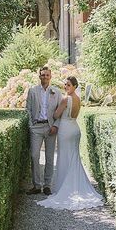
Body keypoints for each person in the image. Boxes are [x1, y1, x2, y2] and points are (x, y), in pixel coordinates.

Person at [38, 76, 103, 210]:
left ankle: (65, 187)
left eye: (68, 85)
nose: (66, 87)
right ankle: (76, 185)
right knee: (74, 158)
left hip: (66, 130)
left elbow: (56, 115)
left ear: (74, 86)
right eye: (65, 85)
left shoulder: (66, 99)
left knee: (64, 157)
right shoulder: (78, 99)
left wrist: (54, 109)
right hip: (75, 128)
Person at [25, 66, 63, 195]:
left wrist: (56, 125)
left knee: (49, 156)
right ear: (39, 76)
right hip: (36, 127)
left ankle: (47, 185)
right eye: (43, 75)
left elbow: (60, 111)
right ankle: (37, 185)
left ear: (50, 77)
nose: (45, 77)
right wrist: (31, 125)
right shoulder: (32, 91)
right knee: (34, 155)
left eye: (47, 75)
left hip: (50, 127)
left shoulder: (56, 92)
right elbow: (28, 110)